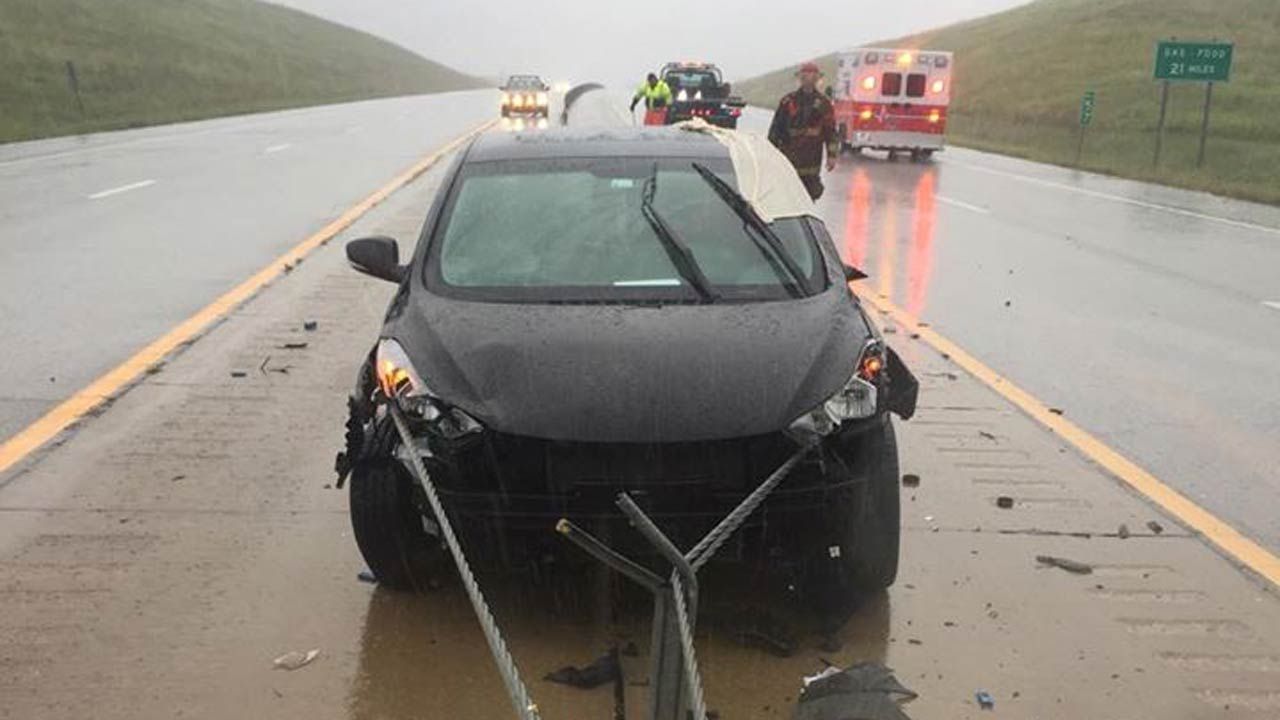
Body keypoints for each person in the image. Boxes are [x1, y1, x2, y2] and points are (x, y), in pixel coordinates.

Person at [768, 62, 839, 200]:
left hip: (812, 157)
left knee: (809, 195)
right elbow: (776, 128)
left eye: (813, 77)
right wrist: (770, 153)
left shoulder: (824, 103)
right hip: (789, 155)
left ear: (817, 79)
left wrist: (832, 155)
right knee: (787, 194)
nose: (808, 80)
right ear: (800, 78)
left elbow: (830, 131)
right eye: (805, 76)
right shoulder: (788, 101)